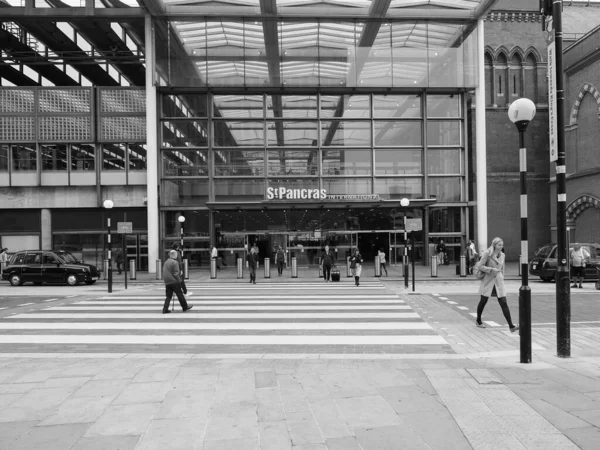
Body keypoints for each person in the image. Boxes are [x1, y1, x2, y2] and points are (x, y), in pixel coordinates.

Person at [474, 237, 518, 333]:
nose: (501, 247)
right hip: (488, 280)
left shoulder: (502, 255)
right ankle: (478, 320)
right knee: (483, 301)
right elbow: (480, 266)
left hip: (498, 281)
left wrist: (502, 277)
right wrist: (491, 269)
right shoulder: (487, 254)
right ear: (494, 245)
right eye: (499, 245)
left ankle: (511, 326)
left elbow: (502, 268)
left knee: (504, 303)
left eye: (502, 245)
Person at [162, 250, 193, 314]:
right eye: (176, 254)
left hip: (167, 282)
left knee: (168, 296)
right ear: (174, 255)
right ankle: (184, 306)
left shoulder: (166, 262)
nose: (177, 255)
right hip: (174, 281)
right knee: (180, 294)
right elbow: (176, 274)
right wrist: (180, 280)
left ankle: (165, 309)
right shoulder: (175, 262)